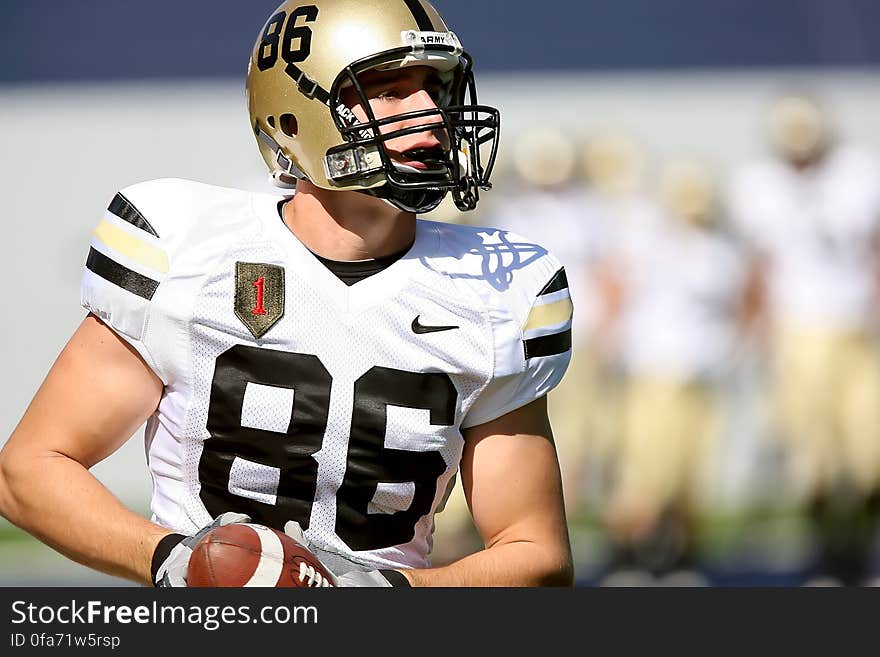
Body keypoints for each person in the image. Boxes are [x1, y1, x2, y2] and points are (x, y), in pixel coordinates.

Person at [0, 0, 574, 588]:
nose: (429, 111)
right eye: (389, 89)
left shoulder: (496, 292)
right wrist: (179, 561)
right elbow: (31, 470)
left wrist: (389, 595)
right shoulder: (188, 248)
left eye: (434, 86)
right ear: (297, 115)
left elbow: (536, 551)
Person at [728, 93, 880, 585]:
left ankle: (859, 548)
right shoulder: (760, 186)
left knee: (869, 451)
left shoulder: (857, 174)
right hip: (797, 333)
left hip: (857, 329)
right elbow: (759, 268)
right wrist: (750, 334)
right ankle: (829, 554)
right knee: (812, 458)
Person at [599, 158, 756, 584]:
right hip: (654, 372)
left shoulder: (721, 249)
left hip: (703, 376)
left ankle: (681, 558)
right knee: (645, 472)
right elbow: (613, 288)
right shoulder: (646, 240)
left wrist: (737, 348)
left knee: (693, 474)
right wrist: (613, 347)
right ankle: (626, 557)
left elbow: (746, 298)